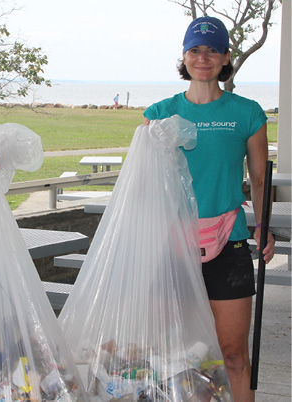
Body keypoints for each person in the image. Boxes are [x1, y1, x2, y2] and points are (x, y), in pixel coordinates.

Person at [143, 16, 275, 402]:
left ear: (225, 58)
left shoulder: (247, 113)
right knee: (171, 356)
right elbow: (145, 184)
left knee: (233, 356)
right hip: (171, 245)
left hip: (229, 243)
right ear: (183, 57)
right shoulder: (158, 113)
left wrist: (263, 225)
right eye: (195, 50)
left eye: (212, 49)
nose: (203, 57)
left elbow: (260, 179)